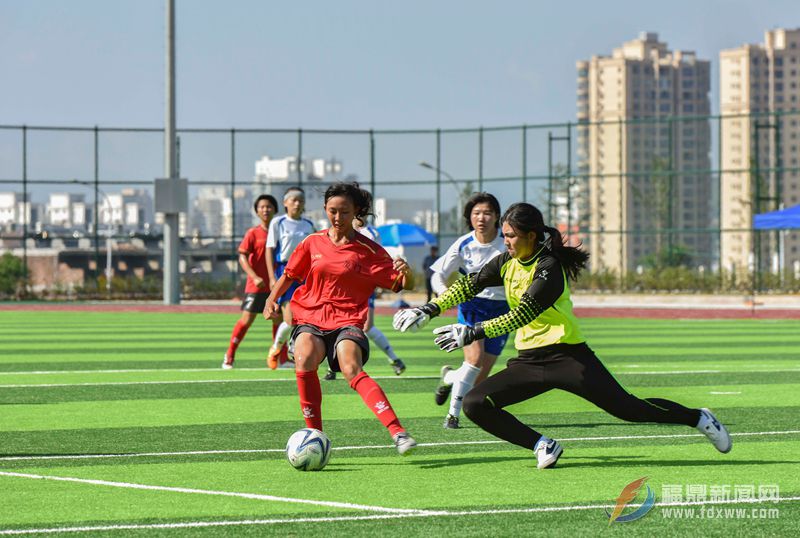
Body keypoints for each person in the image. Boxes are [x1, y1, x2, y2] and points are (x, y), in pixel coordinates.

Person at [394, 202, 732, 469]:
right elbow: (468, 285)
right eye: (506, 235)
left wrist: (474, 332)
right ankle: (543, 445)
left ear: (530, 235)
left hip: (569, 358)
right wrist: (428, 309)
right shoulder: (506, 261)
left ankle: (698, 417)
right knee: (475, 403)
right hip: (528, 361)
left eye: (511, 235)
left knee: (629, 410)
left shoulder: (549, 267)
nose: (506, 240)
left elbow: (523, 313)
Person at [265, 182, 418, 455]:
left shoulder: (369, 251)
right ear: (325, 210)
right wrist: (271, 299)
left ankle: (398, 432)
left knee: (350, 367)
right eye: (332, 211)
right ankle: (315, 437)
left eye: (344, 212)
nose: (337, 218)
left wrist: (408, 273)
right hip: (311, 316)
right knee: (304, 359)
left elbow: (401, 283)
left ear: (356, 212)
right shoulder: (312, 242)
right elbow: (289, 275)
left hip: (348, 320)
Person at [427, 192, 508, 429]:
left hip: (502, 311)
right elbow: (437, 273)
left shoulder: (507, 242)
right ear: (470, 217)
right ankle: (453, 416)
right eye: (476, 213)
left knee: (480, 376)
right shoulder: (464, 243)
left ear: (496, 217)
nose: (481, 218)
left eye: (487, 213)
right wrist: (443, 294)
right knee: (474, 361)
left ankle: (450, 378)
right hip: (471, 307)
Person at [323, 222, 406, 381]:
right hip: (340, 285)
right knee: (333, 322)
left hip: (363, 286)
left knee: (367, 326)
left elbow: (377, 261)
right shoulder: (336, 230)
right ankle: (331, 367)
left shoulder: (372, 233)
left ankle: (394, 359)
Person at [222, 194, 279, 369]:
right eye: (262, 207)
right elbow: (242, 257)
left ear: (275, 210)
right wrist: (254, 277)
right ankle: (229, 355)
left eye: (269, 206)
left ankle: (279, 358)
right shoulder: (253, 233)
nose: (265, 209)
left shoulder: (280, 232)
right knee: (246, 320)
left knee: (278, 320)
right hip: (256, 286)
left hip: (276, 285)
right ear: (256, 211)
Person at [265, 187, 316, 369]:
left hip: (305, 274)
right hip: (285, 271)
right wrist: (272, 277)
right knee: (290, 318)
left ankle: (294, 350)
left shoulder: (309, 225)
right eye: (293, 200)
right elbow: (270, 249)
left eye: (300, 200)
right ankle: (277, 348)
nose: (297, 203)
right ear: (285, 203)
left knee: (306, 318)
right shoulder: (278, 223)